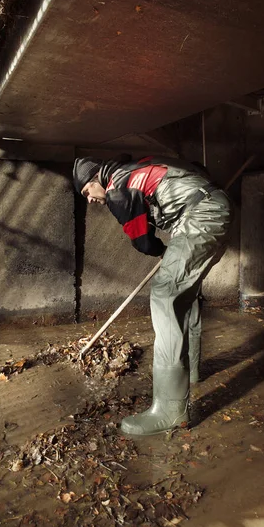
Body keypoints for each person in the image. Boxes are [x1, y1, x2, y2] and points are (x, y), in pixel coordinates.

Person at [73, 155, 232, 435]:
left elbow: (142, 241)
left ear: (96, 179)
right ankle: (192, 371)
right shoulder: (137, 166)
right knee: (185, 291)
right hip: (214, 209)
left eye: (87, 191)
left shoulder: (118, 189)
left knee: (165, 294)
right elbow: (196, 169)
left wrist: (160, 251)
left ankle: (170, 410)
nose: (89, 199)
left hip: (199, 217)